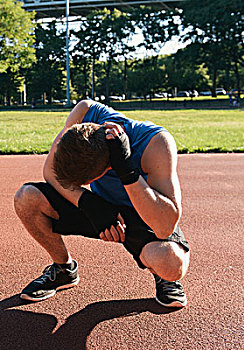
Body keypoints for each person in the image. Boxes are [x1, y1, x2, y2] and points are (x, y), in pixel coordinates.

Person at [14, 100, 190, 308]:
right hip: (96, 208)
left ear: (105, 170)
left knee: (171, 264)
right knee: (26, 197)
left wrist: (128, 172)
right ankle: (64, 269)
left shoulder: (156, 142)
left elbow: (165, 226)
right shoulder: (84, 112)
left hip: (143, 215)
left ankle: (163, 279)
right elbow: (50, 173)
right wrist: (90, 204)